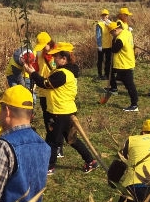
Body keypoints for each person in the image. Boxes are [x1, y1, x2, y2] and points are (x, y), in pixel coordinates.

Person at [25, 42, 98, 174]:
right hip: (67, 110)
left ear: (64, 59)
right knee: (71, 139)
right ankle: (90, 161)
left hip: (59, 112)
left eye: (56, 56)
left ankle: (49, 167)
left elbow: (45, 83)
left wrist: (32, 73)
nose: (53, 59)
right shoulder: (68, 71)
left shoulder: (62, 74)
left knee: (53, 140)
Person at [109, 21, 139, 111]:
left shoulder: (120, 38)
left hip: (124, 64)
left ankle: (134, 105)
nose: (111, 34)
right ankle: (114, 87)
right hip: (127, 62)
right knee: (123, 80)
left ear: (115, 30)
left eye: (111, 33)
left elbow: (114, 49)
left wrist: (113, 40)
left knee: (130, 85)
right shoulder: (127, 32)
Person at [33, 32, 57, 131]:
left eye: (44, 46)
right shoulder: (39, 55)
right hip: (42, 89)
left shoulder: (58, 54)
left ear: (49, 43)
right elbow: (37, 69)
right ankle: (49, 134)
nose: (42, 48)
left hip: (53, 90)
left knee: (55, 115)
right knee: (46, 116)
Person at [95, 9, 113, 80]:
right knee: (100, 61)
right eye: (103, 15)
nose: (104, 16)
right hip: (102, 46)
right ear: (101, 16)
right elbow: (98, 35)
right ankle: (99, 74)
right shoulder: (99, 24)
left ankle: (106, 74)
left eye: (106, 15)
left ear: (108, 15)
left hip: (109, 45)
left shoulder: (110, 23)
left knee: (108, 61)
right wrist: (99, 45)